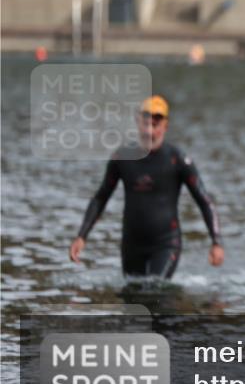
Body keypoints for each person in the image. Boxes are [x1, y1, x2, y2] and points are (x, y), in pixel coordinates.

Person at [69, 96, 224, 278]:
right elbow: (101, 197)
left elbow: (204, 201)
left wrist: (216, 242)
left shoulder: (178, 160)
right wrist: (82, 236)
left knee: (155, 290)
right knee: (133, 298)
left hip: (166, 243)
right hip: (132, 245)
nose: (149, 131)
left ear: (165, 126)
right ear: (137, 122)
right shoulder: (122, 157)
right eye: (145, 124)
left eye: (155, 125)